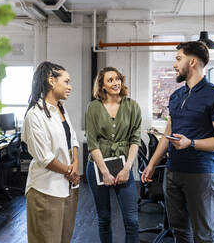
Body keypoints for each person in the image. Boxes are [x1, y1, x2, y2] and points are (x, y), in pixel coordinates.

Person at [142, 41, 214, 243]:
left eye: (178, 58)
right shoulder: (176, 95)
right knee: (180, 231)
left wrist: (191, 143)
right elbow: (169, 132)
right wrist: (152, 164)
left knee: (204, 235)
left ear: (192, 62)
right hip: (173, 172)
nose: (174, 64)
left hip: (200, 174)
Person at [21, 61, 80, 243]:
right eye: (67, 82)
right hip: (45, 190)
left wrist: (75, 164)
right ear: (51, 81)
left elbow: (73, 140)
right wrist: (70, 172)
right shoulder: (35, 114)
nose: (70, 87)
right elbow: (44, 157)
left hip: (68, 186)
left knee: (64, 238)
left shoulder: (61, 109)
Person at [85, 66, 142, 243]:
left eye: (117, 79)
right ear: (101, 85)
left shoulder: (132, 106)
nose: (115, 83)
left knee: (131, 220)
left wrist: (127, 169)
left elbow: (135, 140)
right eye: (110, 80)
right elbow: (92, 142)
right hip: (97, 166)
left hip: (124, 165)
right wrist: (104, 172)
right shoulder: (93, 108)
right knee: (104, 218)